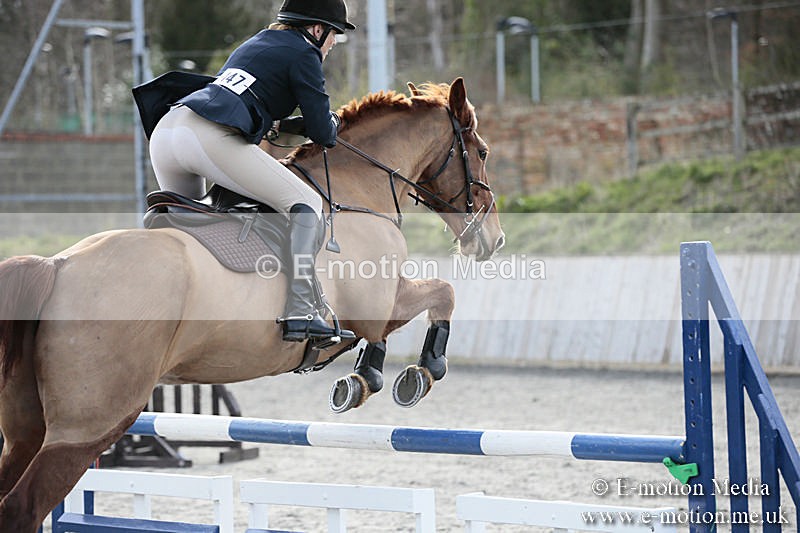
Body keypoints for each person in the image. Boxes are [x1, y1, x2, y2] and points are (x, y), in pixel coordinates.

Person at [147, 0, 356, 344]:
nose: (333, 43)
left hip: (168, 130)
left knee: (185, 225)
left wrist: (295, 125)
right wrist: (330, 122)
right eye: (333, 34)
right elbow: (323, 132)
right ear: (316, 30)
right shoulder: (305, 53)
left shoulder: (258, 41)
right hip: (205, 137)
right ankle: (301, 309)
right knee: (307, 203)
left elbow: (262, 117)